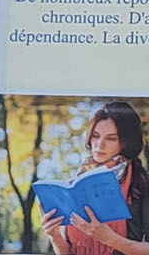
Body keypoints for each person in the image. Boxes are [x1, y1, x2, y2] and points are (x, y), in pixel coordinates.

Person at [42, 101, 149, 255]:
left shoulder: (142, 184)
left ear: (127, 142)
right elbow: (67, 252)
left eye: (111, 138)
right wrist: (54, 236)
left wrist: (111, 239)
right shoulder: (77, 183)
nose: (99, 144)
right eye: (95, 136)